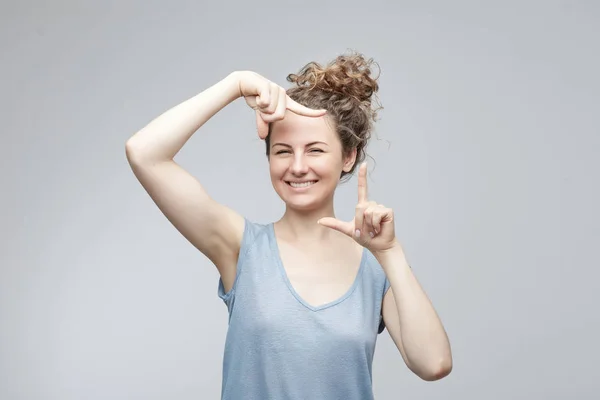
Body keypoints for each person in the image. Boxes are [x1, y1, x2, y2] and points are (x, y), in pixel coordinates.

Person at [125, 51, 452, 399]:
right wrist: (234, 84)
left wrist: (390, 252)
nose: (297, 166)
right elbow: (144, 152)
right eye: (282, 151)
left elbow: (433, 364)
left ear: (348, 157)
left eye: (314, 150)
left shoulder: (376, 266)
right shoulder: (240, 247)